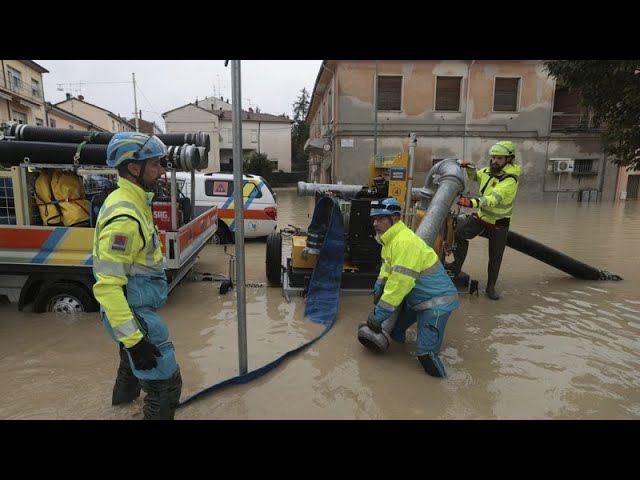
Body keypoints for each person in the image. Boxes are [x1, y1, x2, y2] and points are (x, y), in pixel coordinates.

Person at [92, 132, 182, 420]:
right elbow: (107, 287)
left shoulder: (129, 200)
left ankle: (119, 410)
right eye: (155, 165)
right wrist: (135, 340)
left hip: (131, 313)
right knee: (165, 387)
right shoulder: (125, 219)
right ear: (134, 168)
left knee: (130, 369)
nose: (161, 171)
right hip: (133, 315)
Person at [364, 197, 459, 378]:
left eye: (381, 219)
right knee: (396, 330)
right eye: (374, 219)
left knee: (425, 355)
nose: (375, 223)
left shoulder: (405, 243)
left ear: (396, 218)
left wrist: (378, 315)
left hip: (436, 304)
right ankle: (397, 371)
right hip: (417, 299)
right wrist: (379, 285)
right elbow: (387, 268)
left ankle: (442, 388)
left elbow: (399, 284)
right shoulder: (388, 240)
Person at [449, 140, 522, 300]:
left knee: (495, 257)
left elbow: (492, 199)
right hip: (481, 218)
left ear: (509, 159)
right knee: (459, 233)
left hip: (499, 224)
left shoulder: (510, 180)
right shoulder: (488, 171)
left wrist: (471, 202)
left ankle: (490, 288)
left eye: (500, 158)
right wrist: (470, 168)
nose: (495, 161)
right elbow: (475, 177)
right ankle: (456, 266)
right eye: (494, 157)